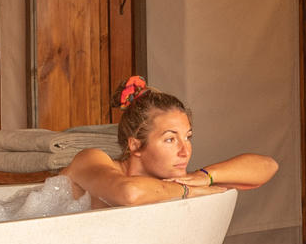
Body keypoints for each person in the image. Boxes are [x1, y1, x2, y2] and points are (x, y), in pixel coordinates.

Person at [62, 77, 279, 207]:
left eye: (187, 137)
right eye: (170, 139)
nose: (185, 151)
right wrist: (189, 191)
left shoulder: (170, 180)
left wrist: (205, 176)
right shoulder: (92, 159)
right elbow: (130, 193)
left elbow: (267, 166)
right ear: (135, 145)